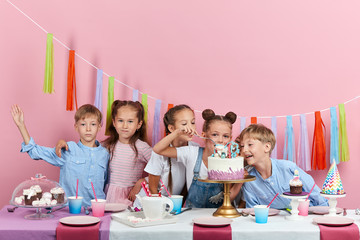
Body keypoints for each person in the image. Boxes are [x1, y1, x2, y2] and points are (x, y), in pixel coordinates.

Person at [11, 104, 109, 207]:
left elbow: (107, 184)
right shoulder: (68, 149)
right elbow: (35, 151)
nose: (88, 129)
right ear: (76, 127)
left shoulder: (105, 154)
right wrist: (21, 125)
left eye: (93, 124)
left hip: (98, 210)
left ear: (99, 127)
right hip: (69, 211)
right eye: (83, 124)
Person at [153, 109, 241, 208]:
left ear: (230, 139)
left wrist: (240, 181)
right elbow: (158, 149)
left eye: (225, 136)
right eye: (215, 135)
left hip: (219, 213)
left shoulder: (232, 162)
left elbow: (228, 199)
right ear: (204, 135)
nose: (220, 140)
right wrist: (177, 132)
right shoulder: (192, 153)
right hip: (192, 214)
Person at [237, 124, 328, 209]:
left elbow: (314, 192)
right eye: (242, 146)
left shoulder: (288, 168)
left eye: (250, 145)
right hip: (276, 223)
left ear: (267, 147)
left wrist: (326, 211)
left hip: (307, 215)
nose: (244, 150)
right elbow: (252, 210)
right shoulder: (249, 180)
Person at [102, 100, 152, 206]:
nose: (125, 126)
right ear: (114, 123)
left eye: (130, 121)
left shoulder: (142, 147)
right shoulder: (107, 145)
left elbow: (162, 169)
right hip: (109, 195)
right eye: (120, 121)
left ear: (139, 124)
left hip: (131, 196)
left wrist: (142, 182)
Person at [145, 104, 199, 196]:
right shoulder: (159, 151)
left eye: (193, 122)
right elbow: (152, 188)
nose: (190, 128)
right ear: (171, 128)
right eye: (184, 124)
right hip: (152, 201)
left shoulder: (195, 148)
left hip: (173, 204)